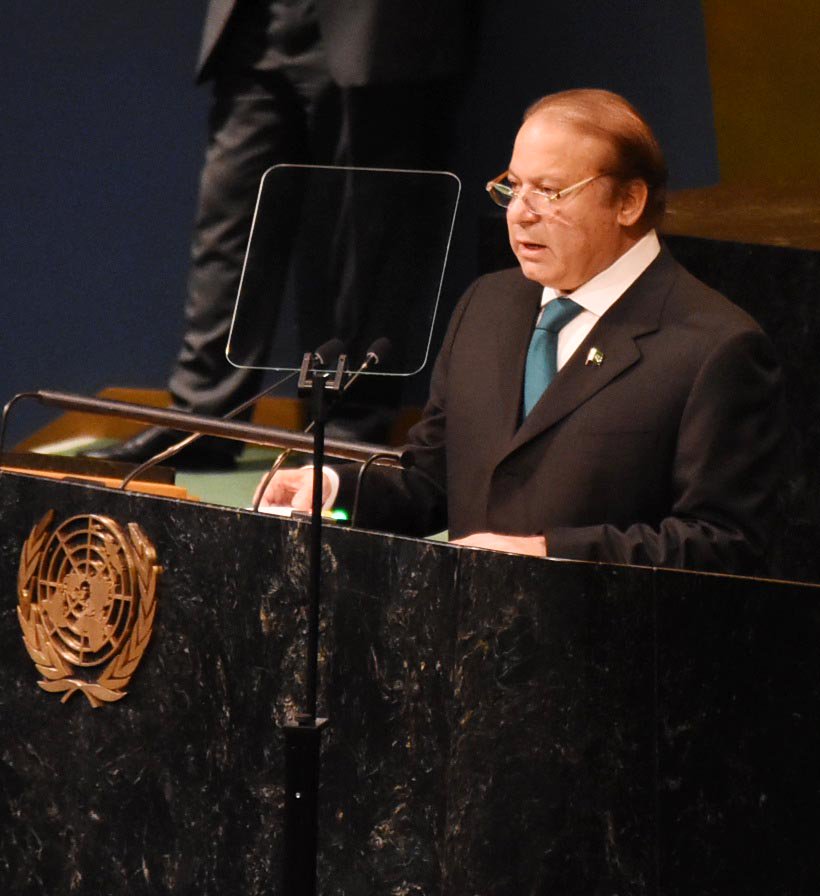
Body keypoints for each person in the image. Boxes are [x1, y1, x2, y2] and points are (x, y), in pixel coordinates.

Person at [256, 88, 785, 574]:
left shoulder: (714, 347)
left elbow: (723, 542)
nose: (520, 213)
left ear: (629, 202)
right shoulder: (489, 304)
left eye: (550, 191)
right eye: (512, 187)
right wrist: (327, 488)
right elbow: (433, 479)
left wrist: (547, 553)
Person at [88, 0, 467, 468]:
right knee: (226, 241)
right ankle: (203, 420)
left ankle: (340, 436)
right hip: (254, 27)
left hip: (377, 29)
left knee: (358, 249)